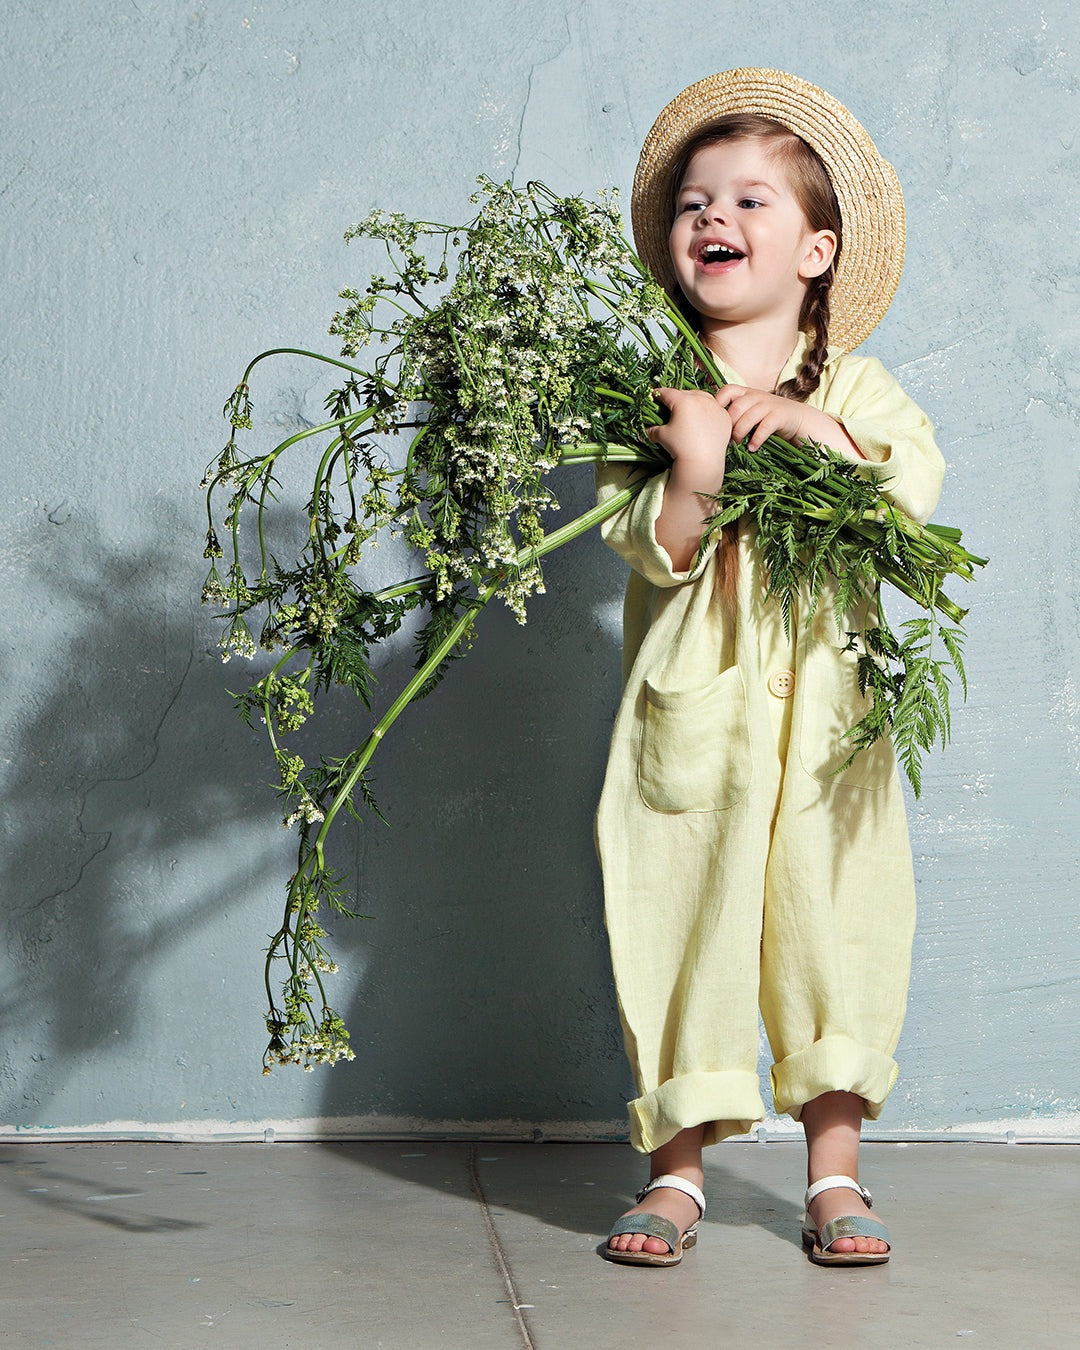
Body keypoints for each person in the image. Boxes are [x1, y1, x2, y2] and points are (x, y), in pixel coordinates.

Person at [595, 68, 945, 1267]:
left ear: (816, 251)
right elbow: (647, 544)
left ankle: (835, 1177)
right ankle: (678, 1175)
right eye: (695, 202)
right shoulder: (642, 397)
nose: (714, 219)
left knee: (833, 918)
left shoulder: (855, 390)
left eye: (750, 201)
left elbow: (912, 513)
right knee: (682, 914)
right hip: (696, 711)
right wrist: (693, 468)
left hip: (831, 713)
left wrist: (820, 436)